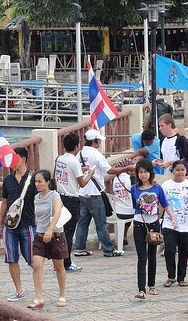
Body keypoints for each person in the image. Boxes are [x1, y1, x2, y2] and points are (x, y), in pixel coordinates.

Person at [74, 129, 131, 258]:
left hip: (82, 192)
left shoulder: (80, 154)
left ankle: (79, 248)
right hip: (94, 193)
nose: (99, 142)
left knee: (83, 222)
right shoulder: (96, 154)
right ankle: (108, 249)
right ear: (94, 141)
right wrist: (126, 168)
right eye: (98, 140)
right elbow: (109, 170)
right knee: (101, 223)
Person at [131, 160, 177, 299]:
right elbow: (135, 206)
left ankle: (151, 285)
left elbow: (165, 204)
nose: (143, 175)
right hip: (139, 224)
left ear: (150, 173)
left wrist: (172, 218)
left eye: (145, 172)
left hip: (154, 225)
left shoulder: (157, 188)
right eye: (140, 172)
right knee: (142, 257)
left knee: (152, 256)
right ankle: (141, 289)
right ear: (137, 174)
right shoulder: (134, 188)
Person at [0, 147, 37, 302]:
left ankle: (38, 290)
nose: (12, 162)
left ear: (23, 159)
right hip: (10, 225)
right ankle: (19, 290)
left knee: (34, 259)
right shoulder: (8, 180)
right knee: (11, 258)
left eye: (15, 158)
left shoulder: (34, 178)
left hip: (28, 223)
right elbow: (4, 202)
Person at [54, 132, 96, 272]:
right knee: (69, 232)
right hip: (71, 199)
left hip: (60, 197)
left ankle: (58, 262)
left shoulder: (60, 159)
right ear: (77, 145)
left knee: (60, 231)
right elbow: (83, 183)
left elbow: (62, 175)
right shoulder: (73, 161)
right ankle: (67, 262)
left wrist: (80, 170)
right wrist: (90, 173)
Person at [28, 170, 67, 310]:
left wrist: (50, 229)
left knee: (59, 266)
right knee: (36, 265)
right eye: (36, 181)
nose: (37, 184)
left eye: (40, 181)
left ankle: (62, 294)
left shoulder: (54, 195)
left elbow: (57, 212)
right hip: (40, 235)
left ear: (48, 182)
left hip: (55, 235)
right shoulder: (36, 197)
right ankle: (39, 297)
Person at [161, 161, 188, 288]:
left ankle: (181, 277)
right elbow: (162, 204)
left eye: (182, 169)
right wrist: (157, 219)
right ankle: (171, 276)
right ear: (172, 171)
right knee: (170, 250)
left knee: (184, 251)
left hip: (186, 224)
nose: (180, 172)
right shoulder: (166, 185)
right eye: (177, 170)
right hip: (169, 224)